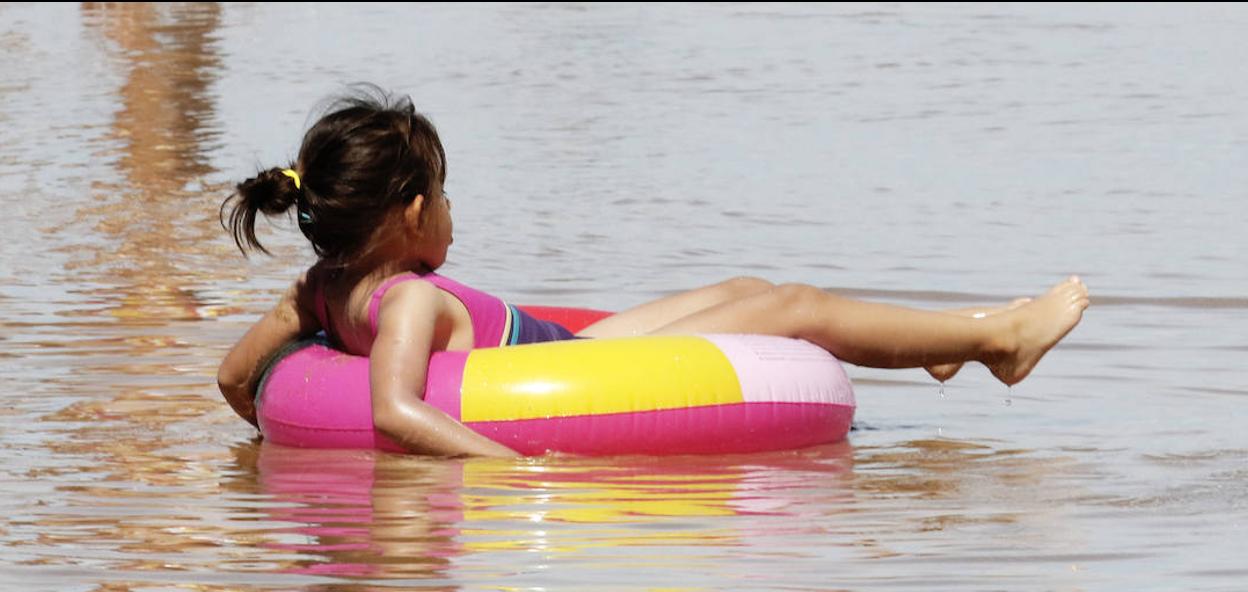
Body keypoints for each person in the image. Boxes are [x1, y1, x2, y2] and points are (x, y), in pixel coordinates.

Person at [218, 87, 1089, 459]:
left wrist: (278, 421)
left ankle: (926, 349)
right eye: (444, 197)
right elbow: (395, 410)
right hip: (574, 367)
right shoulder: (407, 300)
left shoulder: (320, 291)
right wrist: (505, 467)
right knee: (787, 305)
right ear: (411, 215)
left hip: (566, 344)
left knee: (749, 289)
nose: (452, 215)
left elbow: (233, 377)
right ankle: (995, 339)